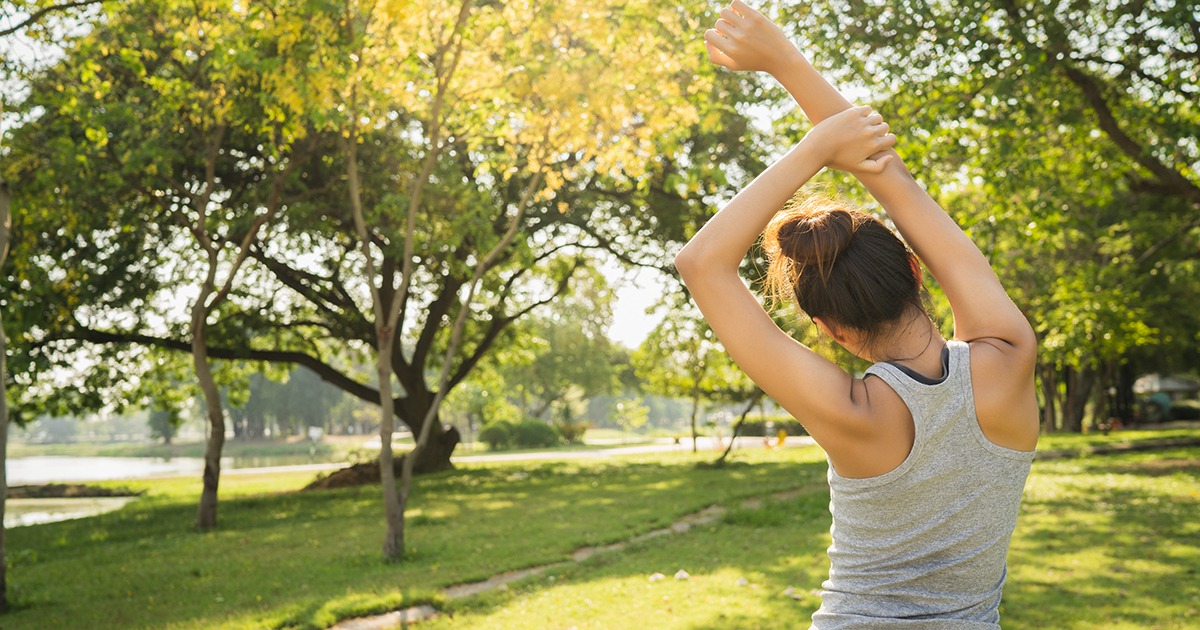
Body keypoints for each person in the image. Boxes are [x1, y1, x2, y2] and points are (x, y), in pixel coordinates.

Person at [674, 2, 1040, 627]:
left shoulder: (853, 413)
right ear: (917, 271)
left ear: (831, 330)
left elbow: (701, 264)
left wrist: (815, 147)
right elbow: (889, 175)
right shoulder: (1008, 357)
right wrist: (789, 64)